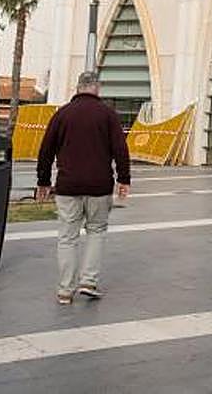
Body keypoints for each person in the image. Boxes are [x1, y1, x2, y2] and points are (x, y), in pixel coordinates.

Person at [35, 71, 131, 305]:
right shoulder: (108, 115)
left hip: (68, 185)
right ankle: (88, 281)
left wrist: (43, 181)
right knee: (97, 231)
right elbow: (120, 149)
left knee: (67, 237)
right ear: (97, 88)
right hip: (99, 185)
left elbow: (46, 150)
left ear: (77, 88)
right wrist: (124, 179)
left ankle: (65, 290)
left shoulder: (62, 115)